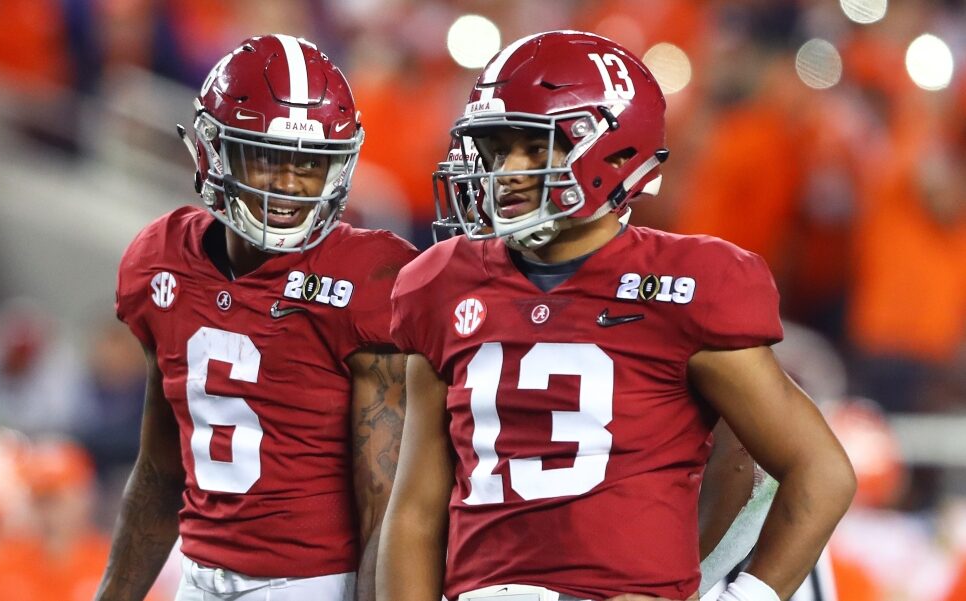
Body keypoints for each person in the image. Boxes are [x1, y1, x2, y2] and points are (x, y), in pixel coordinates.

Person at [379, 31, 855, 601]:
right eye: (498, 150)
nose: (506, 171)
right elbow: (413, 513)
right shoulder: (442, 283)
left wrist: (743, 596)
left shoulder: (686, 286)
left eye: (535, 148)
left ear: (615, 151)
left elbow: (819, 471)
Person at [94, 34, 418, 601]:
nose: (289, 182)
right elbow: (161, 471)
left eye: (311, 163)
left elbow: (384, 512)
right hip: (195, 578)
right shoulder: (163, 259)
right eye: (267, 156)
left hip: (316, 586)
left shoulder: (368, 277)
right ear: (212, 151)